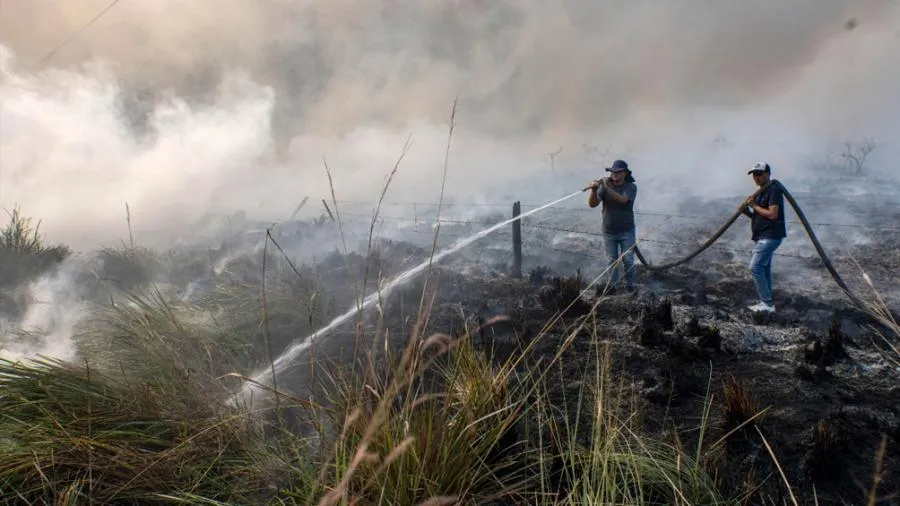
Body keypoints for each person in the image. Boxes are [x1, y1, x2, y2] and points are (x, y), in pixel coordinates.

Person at [739, 162, 786, 313]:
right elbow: (758, 216)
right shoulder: (761, 193)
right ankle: (767, 302)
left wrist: (754, 205)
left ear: (767, 174)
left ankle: (767, 304)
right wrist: (746, 211)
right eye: (754, 174)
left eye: (759, 174)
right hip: (762, 235)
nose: (756, 177)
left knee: (756, 267)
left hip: (770, 235)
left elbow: (773, 214)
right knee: (764, 268)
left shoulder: (773, 190)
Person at [588, 159, 638, 293]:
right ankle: (613, 288)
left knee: (628, 260)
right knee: (612, 261)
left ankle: (630, 287)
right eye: (612, 172)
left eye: (618, 172)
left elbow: (623, 200)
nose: (614, 174)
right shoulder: (604, 187)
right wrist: (594, 190)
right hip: (609, 231)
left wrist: (607, 187)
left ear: (625, 173)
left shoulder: (631, 187)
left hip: (627, 230)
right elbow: (593, 204)